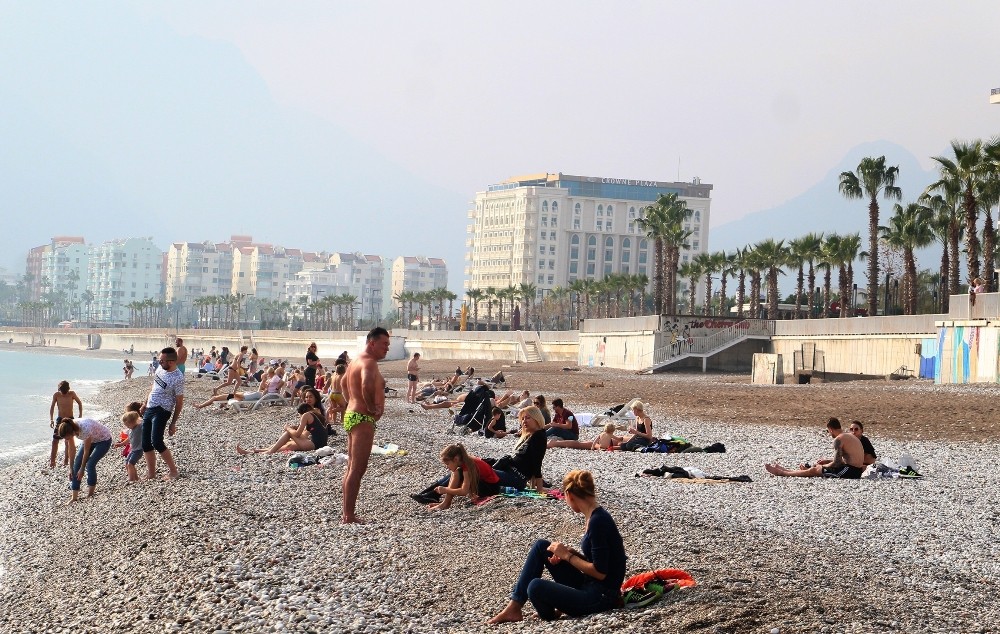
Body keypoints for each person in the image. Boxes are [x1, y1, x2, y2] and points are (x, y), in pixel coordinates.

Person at [487, 470, 627, 624]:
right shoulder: (594, 516)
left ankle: (550, 614)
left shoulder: (598, 522)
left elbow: (601, 573)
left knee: (535, 587)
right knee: (542, 546)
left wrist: (568, 556)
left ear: (569, 495)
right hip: (591, 585)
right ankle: (514, 606)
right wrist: (571, 553)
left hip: (601, 597)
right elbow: (601, 561)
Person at [341, 328, 390, 524]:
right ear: (372, 343)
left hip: (354, 415)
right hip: (362, 418)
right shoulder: (368, 362)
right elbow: (366, 385)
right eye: (384, 344)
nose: (387, 348)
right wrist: (370, 407)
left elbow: (344, 384)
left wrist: (350, 403)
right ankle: (349, 516)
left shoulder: (355, 361)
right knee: (357, 469)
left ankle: (347, 513)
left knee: (352, 467)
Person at [765, 417, 865, 479]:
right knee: (817, 468)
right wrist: (827, 461)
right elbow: (848, 459)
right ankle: (788, 470)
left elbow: (837, 463)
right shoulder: (848, 435)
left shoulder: (838, 439)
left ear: (830, 429)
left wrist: (823, 466)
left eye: (827, 431)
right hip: (855, 469)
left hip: (851, 471)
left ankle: (782, 473)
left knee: (814, 471)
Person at [237, 388, 329, 454]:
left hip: (314, 444)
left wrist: (288, 428)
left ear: (316, 398)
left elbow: (299, 434)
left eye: (310, 397)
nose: (307, 399)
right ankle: (257, 451)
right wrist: (296, 428)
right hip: (317, 442)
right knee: (290, 444)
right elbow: (312, 430)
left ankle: (268, 452)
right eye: (306, 397)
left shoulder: (310, 413)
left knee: (289, 436)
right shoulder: (314, 413)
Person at [140, 346, 184, 480]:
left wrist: (173, 423)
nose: (159, 363)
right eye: (160, 360)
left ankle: (174, 471)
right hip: (150, 406)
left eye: (162, 361)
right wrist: (144, 403)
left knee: (157, 441)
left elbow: (179, 402)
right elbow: (153, 387)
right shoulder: (160, 369)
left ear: (171, 362)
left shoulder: (178, 378)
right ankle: (151, 473)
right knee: (145, 443)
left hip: (162, 410)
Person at [411, 443, 501, 509]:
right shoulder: (463, 461)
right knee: (455, 472)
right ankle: (440, 499)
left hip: (491, 488)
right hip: (486, 484)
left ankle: (444, 503)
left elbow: (464, 491)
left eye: (447, 464)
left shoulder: (467, 466)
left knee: (457, 472)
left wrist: (444, 489)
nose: (447, 467)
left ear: (456, 459)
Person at [57, 417, 113, 502]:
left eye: (67, 438)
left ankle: (90, 494)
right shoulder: (70, 426)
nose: (66, 440)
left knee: (90, 464)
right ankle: (74, 498)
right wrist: (71, 468)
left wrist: (82, 468)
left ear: (71, 432)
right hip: (90, 439)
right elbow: (72, 449)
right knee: (76, 465)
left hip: (104, 440)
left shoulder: (85, 428)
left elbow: (86, 451)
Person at [493, 406, 547, 492]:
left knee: (479, 471)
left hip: (515, 477)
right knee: (478, 465)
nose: (524, 421)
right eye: (522, 418)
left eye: (528, 418)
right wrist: (532, 486)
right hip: (510, 472)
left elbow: (536, 462)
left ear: (537, 418)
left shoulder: (539, 436)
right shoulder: (530, 435)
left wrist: (539, 489)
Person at [48, 380, 82, 468]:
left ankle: (66, 460)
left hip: (70, 419)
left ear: (68, 389)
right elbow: (52, 407)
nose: (63, 393)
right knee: (55, 440)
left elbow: (79, 403)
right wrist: (51, 419)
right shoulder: (56, 395)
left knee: (69, 440)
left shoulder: (72, 394)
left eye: (64, 391)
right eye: (61, 391)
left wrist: (80, 415)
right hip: (60, 419)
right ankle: (52, 461)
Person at [114, 410, 144, 481]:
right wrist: (121, 444)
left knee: (131, 464)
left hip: (138, 450)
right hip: (133, 450)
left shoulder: (139, 427)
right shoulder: (130, 430)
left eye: (128, 425)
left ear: (134, 422)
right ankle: (136, 478)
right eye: (126, 425)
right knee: (127, 463)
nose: (127, 427)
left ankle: (131, 479)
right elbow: (129, 439)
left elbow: (144, 421)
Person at [548, 423, 622, 451]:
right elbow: (618, 440)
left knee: (584, 443)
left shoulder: (602, 434)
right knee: (583, 444)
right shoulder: (610, 435)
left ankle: (556, 443)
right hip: (604, 447)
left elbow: (595, 441)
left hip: (602, 446)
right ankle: (556, 443)